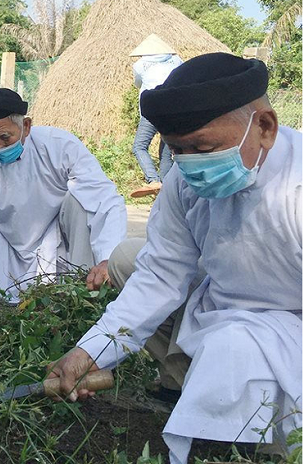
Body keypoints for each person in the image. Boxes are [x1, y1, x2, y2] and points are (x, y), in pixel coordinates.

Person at [48, 53, 302, 464]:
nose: (191, 164)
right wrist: (90, 351)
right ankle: (192, 385)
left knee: (272, 431)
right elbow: (161, 275)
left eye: (203, 147)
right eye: (177, 150)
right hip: (225, 310)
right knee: (130, 260)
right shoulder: (184, 181)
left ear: (266, 127)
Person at [0, 88, 127, 305]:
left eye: (5, 137)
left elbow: (105, 200)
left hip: (57, 240)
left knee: (80, 201)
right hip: (7, 240)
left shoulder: (60, 146)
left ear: (25, 126)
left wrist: (107, 259)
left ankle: (82, 291)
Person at [129, 34, 183, 198]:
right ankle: (165, 190)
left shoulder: (140, 65)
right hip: (174, 110)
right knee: (167, 151)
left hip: (152, 108)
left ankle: (153, 180)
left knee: (139, 146)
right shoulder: (177, 61)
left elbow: (138, 83)